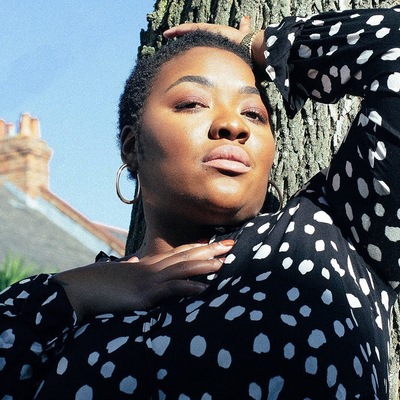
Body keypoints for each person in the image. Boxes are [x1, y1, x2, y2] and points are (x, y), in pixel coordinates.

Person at [1, 6, 399, 399]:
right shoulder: (66, 315)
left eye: (254, 114)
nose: (233, 125)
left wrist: (265, 46)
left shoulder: (340, 234)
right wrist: (74, 292)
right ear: (131, 146)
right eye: (192, 103)